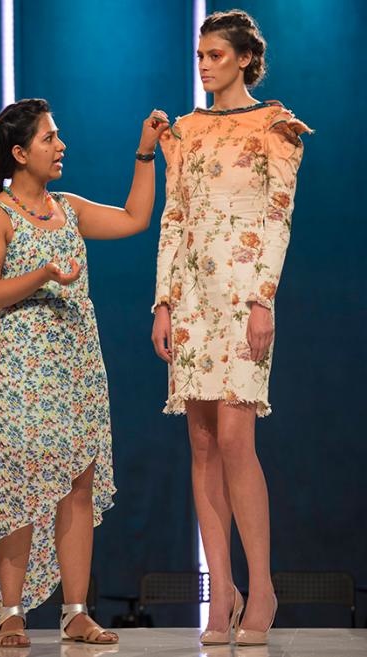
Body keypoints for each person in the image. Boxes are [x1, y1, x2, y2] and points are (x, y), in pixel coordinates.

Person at [0, 98, 168, 647]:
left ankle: (75, 611)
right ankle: (11, 612)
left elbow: (135, 219)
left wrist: (145, 153)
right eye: (49, 138)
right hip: (20, 370)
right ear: (19, 152)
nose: (61, 146)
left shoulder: (69, 208)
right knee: (21, 485)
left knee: (78, 484)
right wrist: (42, 274)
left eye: (58, 137)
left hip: (77, 365)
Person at [151, 10, 312, 647]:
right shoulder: (185, 132)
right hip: (191, 299)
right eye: (200, 55)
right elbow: (173, 217)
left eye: (216, 54)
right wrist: (162, 301)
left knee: (238, 438)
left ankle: (262, 585)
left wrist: (263, 300)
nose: (205, 64)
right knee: (201, 443)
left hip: (243, 294)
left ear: (244, 58)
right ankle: (222, 592)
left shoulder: (274, 126)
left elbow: (279, 219)